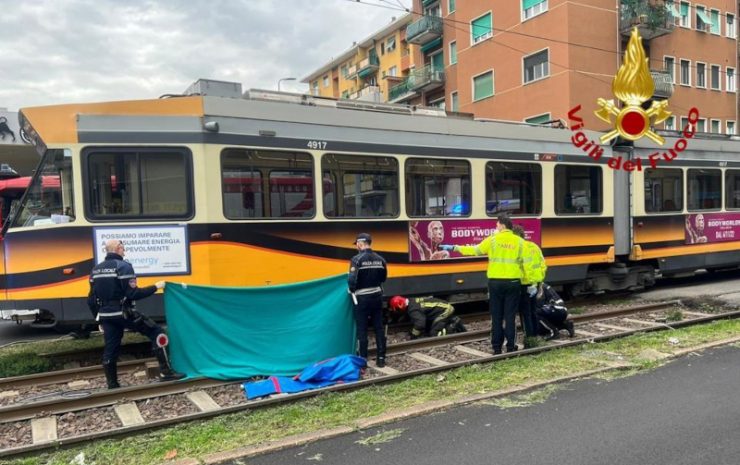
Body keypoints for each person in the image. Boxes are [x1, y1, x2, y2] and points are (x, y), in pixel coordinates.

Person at [88, 239, 185, 389]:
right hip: (123, 313)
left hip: (106, 316)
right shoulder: (123, 266)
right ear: (118, 248)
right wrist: (156, 287)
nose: (124, 251)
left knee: (111, 348)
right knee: (158, 333)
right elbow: (133, 293)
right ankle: (166, 372)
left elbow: (91, 299)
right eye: (123, 248)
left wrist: (99, 319)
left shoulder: (96, 269)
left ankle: (112, 384)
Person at [440, 212, 527, 354]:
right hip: (513, 283)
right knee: (510, 317)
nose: (496, 226)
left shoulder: (492, 240)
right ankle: (511, 347)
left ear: (503, 225)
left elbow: (475, 250)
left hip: (495, 283)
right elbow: (526, 264)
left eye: (497, 223)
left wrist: (455, 248)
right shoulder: (519, 242)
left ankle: (496, 347)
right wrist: (531, 282)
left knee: (496, 316)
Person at [348, 233, 388, 367]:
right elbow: (383, 278)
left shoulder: (356, 259)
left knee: (362, 329)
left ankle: (363, 360)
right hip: (377, 296)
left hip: (362, 298)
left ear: (360, 243)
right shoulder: (380, 259)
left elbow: (352, 280)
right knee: (379, 328)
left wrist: (352, 289)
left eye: (357, 244)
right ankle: (381, 358)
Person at [512, 225, 547, 344]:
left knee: (525, 312)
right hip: (535, 283)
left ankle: (529, 337)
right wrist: (539, 282)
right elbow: (543, 264)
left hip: (524, 283)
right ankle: (536, 333)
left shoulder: (518, 248)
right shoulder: (535, 246)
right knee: (533, 310)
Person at [388, 295, 467, 339]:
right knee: (428, 330)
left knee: (434, 334)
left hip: (445, 310)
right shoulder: (412, 301)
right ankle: (449, 321)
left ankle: (453, 326)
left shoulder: (413, 310)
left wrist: (414, 335)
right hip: (442, 308)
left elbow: (420, 324)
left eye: (397, 310)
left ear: (400, 307)